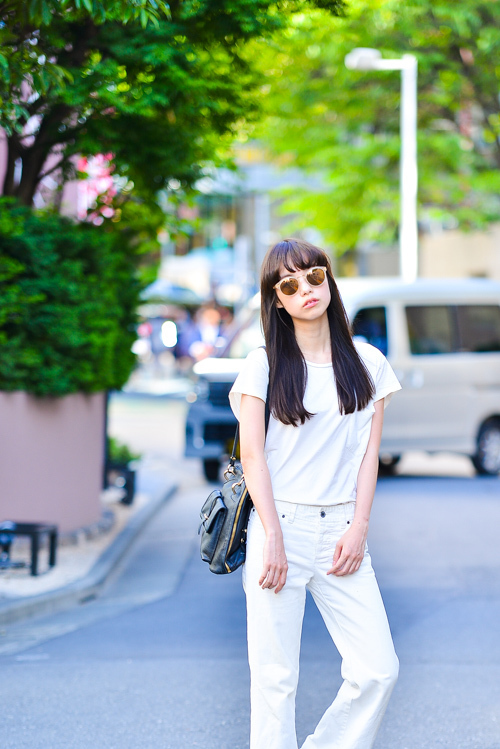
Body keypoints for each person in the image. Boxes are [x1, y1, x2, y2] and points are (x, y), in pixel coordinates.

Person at [228, 238, 402, 749]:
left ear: (329, 279)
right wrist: (274, 537)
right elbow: (253, 457)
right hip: (278, 527)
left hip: (343, 532)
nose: (306, 289)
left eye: (314, 276)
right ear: (276, 300)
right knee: (275, 680)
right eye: (290, 284)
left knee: (378, 669)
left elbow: (369, 455)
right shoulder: (263, 365)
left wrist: (360, 527)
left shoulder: (368, 363)